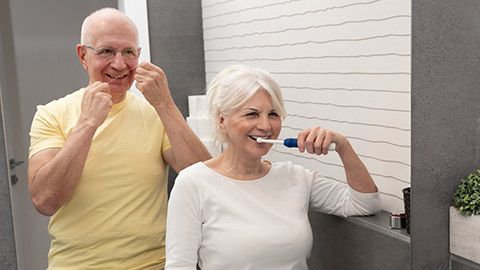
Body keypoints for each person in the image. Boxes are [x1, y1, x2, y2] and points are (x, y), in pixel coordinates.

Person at [27, 7, 211, 270]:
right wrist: (88, 124)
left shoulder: (156, 112)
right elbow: (45, 200)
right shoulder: (51, 114)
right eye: (106, 51)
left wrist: (166, 105)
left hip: (155, 264)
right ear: (83, 55)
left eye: (128, 52)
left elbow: (206, 180)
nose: (119, 64)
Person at [165, 65, 382, 269]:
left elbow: (364, 204)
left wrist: (343, 146)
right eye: (252, 114)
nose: (266, 126)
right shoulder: (193, 183)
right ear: (222, 120)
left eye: (273, 114)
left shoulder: (295, 178)